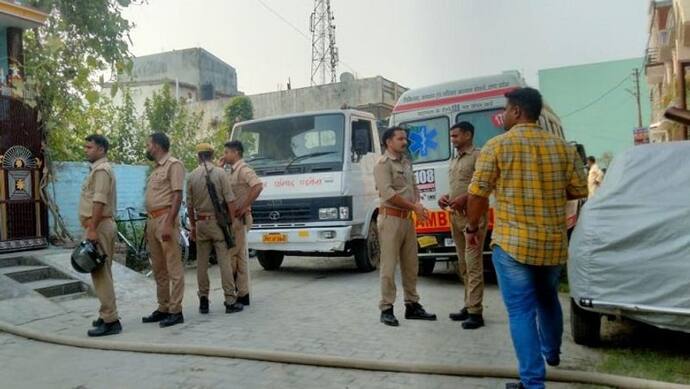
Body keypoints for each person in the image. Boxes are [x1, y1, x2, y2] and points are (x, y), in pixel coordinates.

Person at [464, 87, 588, 389]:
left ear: (517, 111)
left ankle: (533, 382)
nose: (502, 116)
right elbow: (579, 190)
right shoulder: (563, 148)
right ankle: (552, 354)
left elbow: (477, 195)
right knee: (548, 301)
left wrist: (472, 228)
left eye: (505, 110)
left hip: (512, 245)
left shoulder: (497, 146)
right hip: (551, 244)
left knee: (521, 311)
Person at [373, 126, 437, 327]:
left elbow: (413, 188)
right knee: (389, 266)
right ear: (388, 142)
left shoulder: (406, 162)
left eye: (406, 138)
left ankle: (412, 305)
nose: (405, 142)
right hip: (390, 219)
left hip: (407, 219)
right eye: (400, 138)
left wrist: (417, 206)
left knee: (411, 265)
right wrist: (413, 207)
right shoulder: (382, 164)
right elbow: (388, 193)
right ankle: (387, 309)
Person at [438, 122, 488, 330]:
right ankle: (468, 304)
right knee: (463, 264)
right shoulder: (455, 159)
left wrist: (465, 198)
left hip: (473, 218)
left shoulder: (479, 156)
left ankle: (476, 312)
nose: (453, 139)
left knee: (473, 263)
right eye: (451, 136)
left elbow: (483, 187)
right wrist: (448, 198)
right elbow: (458, 187)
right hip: (456, 217)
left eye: (456, 136)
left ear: (468, 135)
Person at [187, 143, 244, 314]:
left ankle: (203, 301)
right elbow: (230, 201)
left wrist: (193, 226)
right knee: (224, 262)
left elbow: (189, 206)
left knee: (202, 264)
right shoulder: (220, 173)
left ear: (198, 156)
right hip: (218, 223)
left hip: (201, 222)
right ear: (212, 155)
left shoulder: (191, 176)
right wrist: (232, 221)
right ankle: (229, 300)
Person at [141, 132, 186, 328]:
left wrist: (169, 222)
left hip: (165, 219)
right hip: (153, 221)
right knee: (159, 268)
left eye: (148, 144)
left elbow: (177, 195)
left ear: (157, 146)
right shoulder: (156, 169)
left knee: (173, 267)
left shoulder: (174, 165)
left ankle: (176, 311)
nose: (147, 148)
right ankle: (163, 307)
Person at [79, 134, 121, 337]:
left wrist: (92, 228)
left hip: (100, 226)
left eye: (90, 147)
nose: (86, 150)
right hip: (99, 225)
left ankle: (111, 320)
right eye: (85, 147)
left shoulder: (102, 170)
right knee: (103, 272)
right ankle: (106, 314)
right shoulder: (97, 170)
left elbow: (99, 201)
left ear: (102, 149)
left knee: (100, 272)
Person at [221, 140, 263, 306]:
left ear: (235, 152)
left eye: (226, 153)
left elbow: (258, 186)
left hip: (240, 219)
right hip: (236, 219)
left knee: (232, 256)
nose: (224, 156)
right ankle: (243, 293)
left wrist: (244, 206)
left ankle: (237, 293)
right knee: (240, 256)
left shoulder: (243, 169)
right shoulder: (231, 170)